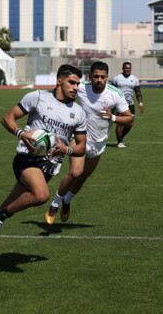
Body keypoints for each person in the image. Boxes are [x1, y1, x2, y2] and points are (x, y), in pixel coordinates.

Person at [0, 64, 87, 265]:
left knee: (8, 204)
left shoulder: (78, 112)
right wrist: (21, 134)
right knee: (41, 195)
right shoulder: (37, 97)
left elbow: (81, 147)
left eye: (78, 84)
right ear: (59, 81)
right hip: (26, 158)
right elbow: (7, 118)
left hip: (48, 167)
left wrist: (65, 149)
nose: (76, 87)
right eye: (72, 82)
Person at [45, 61, 133, 224]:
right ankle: (54, 204)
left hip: (99, 143)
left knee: (83, 177)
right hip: (79, 138)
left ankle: (66, 201)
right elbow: (62, 92)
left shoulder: (115, 94)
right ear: (90, 76)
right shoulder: (82, 88)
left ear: (107, 77)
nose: (99, 80)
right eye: (96, 76)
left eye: (103, 77)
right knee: (75, 173)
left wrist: (113, 117)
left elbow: (130, 119)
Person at [109, 62, 144, 148]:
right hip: (119, 104)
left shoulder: (134, 79)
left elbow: (138, 92)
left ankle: (121, 138)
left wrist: (140, 103)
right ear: (123, 68)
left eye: (129, 68)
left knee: (130, 123)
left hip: (130, 104)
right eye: (126, 68)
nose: (127, 70)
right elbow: (110, 91)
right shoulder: (116, 78)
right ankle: (119, 141)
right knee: (120, 123)